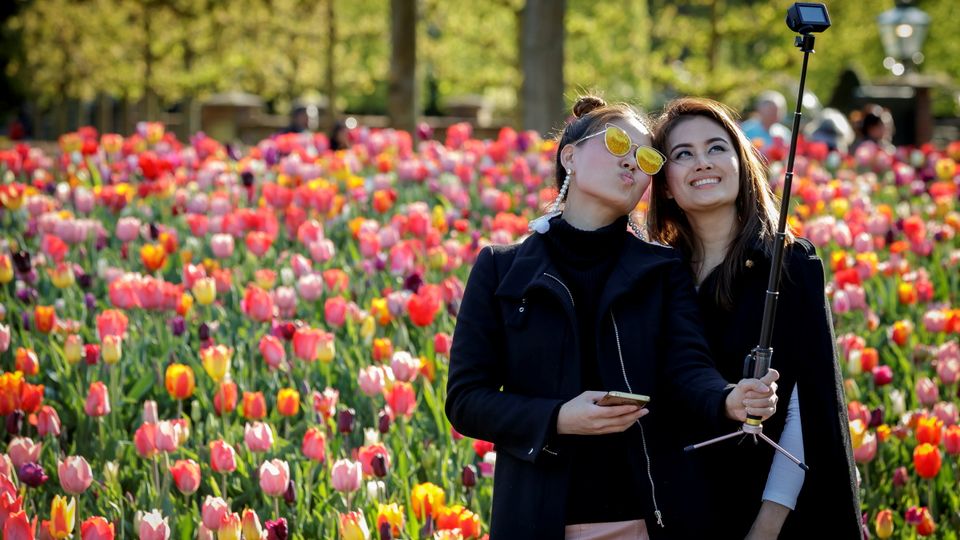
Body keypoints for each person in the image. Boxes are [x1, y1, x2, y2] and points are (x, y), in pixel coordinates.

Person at [445, 95, 780, 540]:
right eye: (618, 143)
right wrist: (559, 418)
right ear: (571, 156)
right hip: (535, 514)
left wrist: (727, 399)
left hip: (644, 514)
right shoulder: (501, 269)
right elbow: (466, 400)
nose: (632, 164)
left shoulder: (662, 270)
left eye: (646, 158)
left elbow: (687, 369)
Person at [647, 97, 862, 539]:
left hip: (772, 510)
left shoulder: (787, 264)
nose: (702, 163)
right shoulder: (656, 274)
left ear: (741, 163)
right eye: (682, 154)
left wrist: (766, 524)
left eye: (716, 148)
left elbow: (807, 408)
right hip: (679, 506)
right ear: (665, 184)